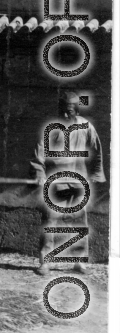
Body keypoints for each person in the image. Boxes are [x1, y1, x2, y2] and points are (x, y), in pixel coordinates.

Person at [31, 89, 105, 276]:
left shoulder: (86, 127)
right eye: (62, 110)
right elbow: (38, 155)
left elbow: (97, 151)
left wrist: (96, 174)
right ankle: (45, 262)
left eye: (69, 111)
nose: (65, 114)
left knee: (80, 223)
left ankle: (79, 263)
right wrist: (39, 173)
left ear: (77, 111)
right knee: (50, 222)